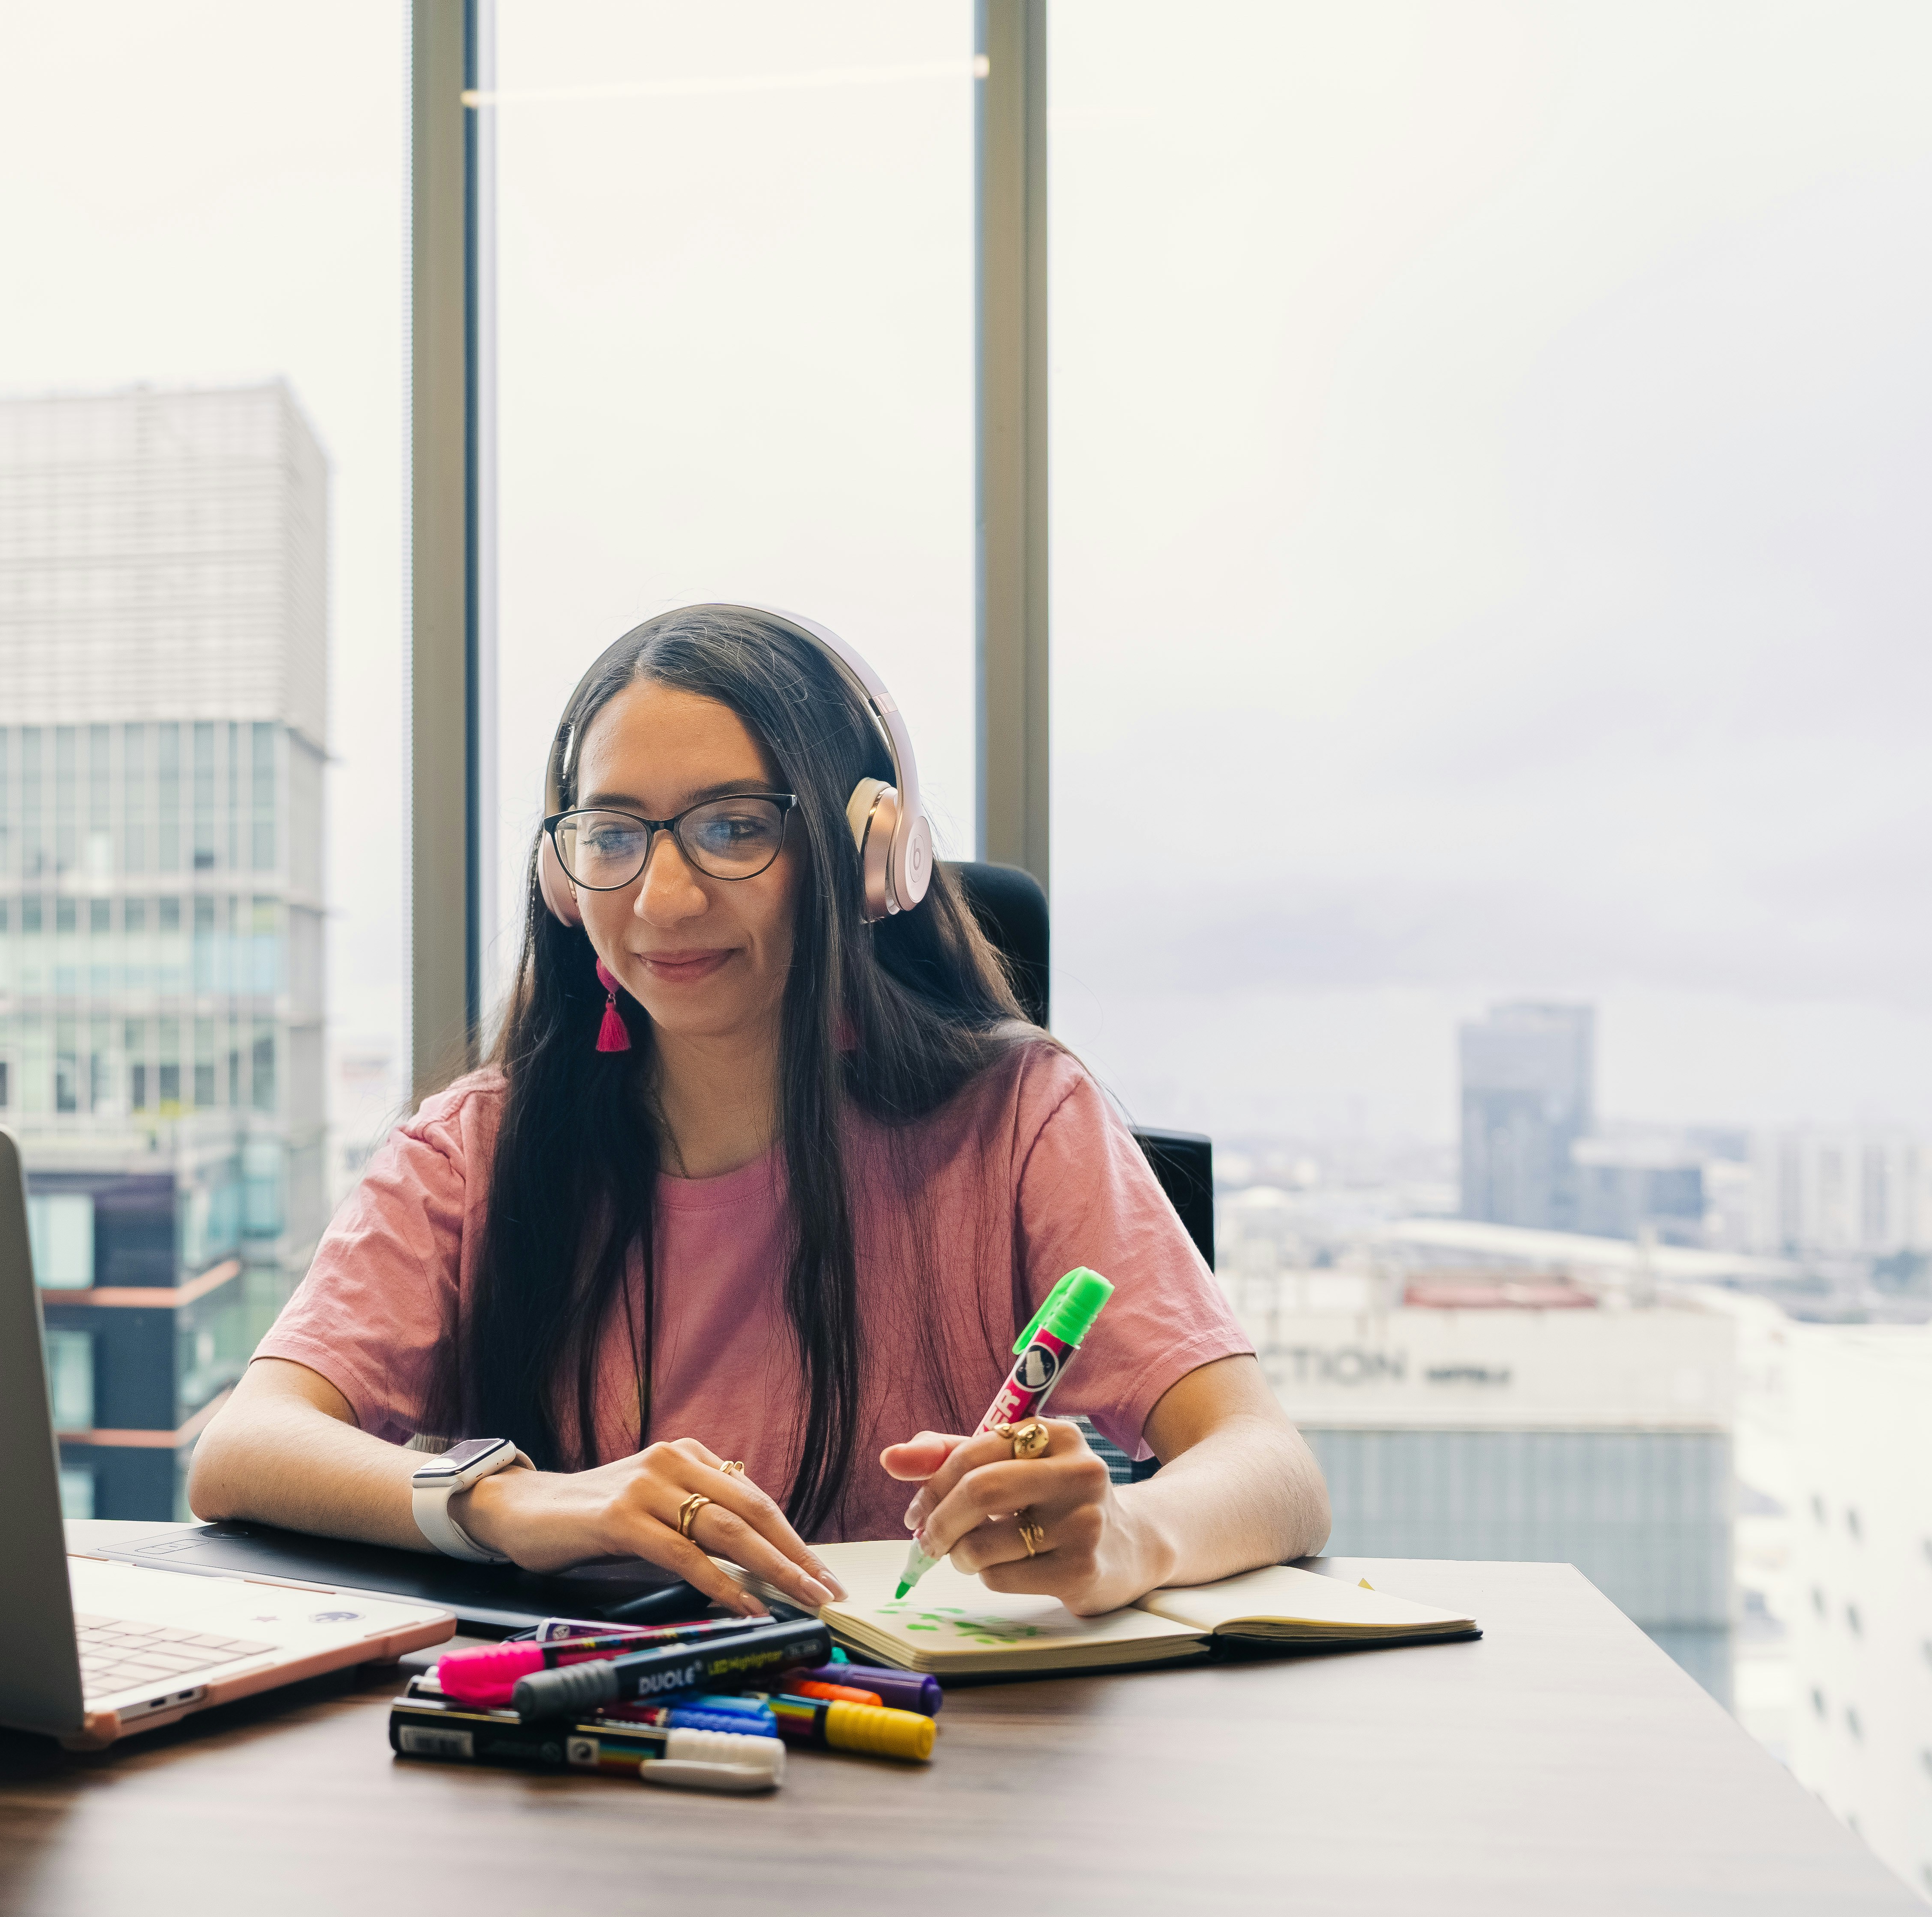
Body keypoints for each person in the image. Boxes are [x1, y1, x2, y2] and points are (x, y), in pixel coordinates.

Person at [188, 606, 1330, 1618]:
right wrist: (516, 1502)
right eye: (615, 837)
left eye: (736, 828)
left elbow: (1269, 1467)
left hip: (929, 1763)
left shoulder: (1018, 1119)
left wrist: (1130, 1536)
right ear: (562, 876)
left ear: (866, 851)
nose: (664, 900)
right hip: (578, 1761)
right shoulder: (476, 1149)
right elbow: (244, 1449)